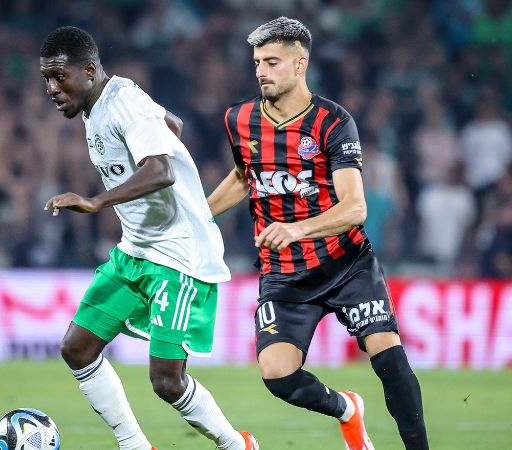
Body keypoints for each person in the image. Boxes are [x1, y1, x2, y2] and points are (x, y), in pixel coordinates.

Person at [207, 17, 429, 450]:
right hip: (284, 274)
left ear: (300, 63)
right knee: (277, 375)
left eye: (272, 62)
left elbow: (355, 207)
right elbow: (242, 176)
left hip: (346, 264)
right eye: (257, 62)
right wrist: (199, 217)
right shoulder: (239, 118)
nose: (261, 71)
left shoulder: (333, 122)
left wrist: (296, 229)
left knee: (388, 357)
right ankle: (346, 409)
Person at [39, 26, 258, 450]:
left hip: (179, 257)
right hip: (136, 250)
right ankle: (135, 446)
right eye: (46, 79)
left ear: (89, 70)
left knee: (167, 381)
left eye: (59, 77)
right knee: (77, 348)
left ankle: (237, 445)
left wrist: (96, 202)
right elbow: (172, 124)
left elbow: (161, 170)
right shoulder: (101, 103)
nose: (51, 88)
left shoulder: (124, 102)